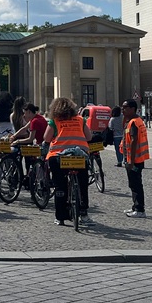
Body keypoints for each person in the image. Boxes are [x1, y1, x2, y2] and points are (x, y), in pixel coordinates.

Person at [45, 96, 92, 226]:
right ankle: (83, 213)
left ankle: (60, 217)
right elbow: (89, 137)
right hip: (79, 156)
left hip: (58, 156)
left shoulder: (55, 121)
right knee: (82, 184)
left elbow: (47, 138)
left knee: (60, 186)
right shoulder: (80, 120)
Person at [120, 100, 148, 217]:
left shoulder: (133, 123)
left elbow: (133, 140)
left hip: (134, 159)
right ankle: (135, 206)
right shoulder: (136, 120)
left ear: (132, 109)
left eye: (125, 107)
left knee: (135, 184)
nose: (123, 110)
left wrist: (130, 160)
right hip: (137, 158)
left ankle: (139, 209)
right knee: (134, 184)